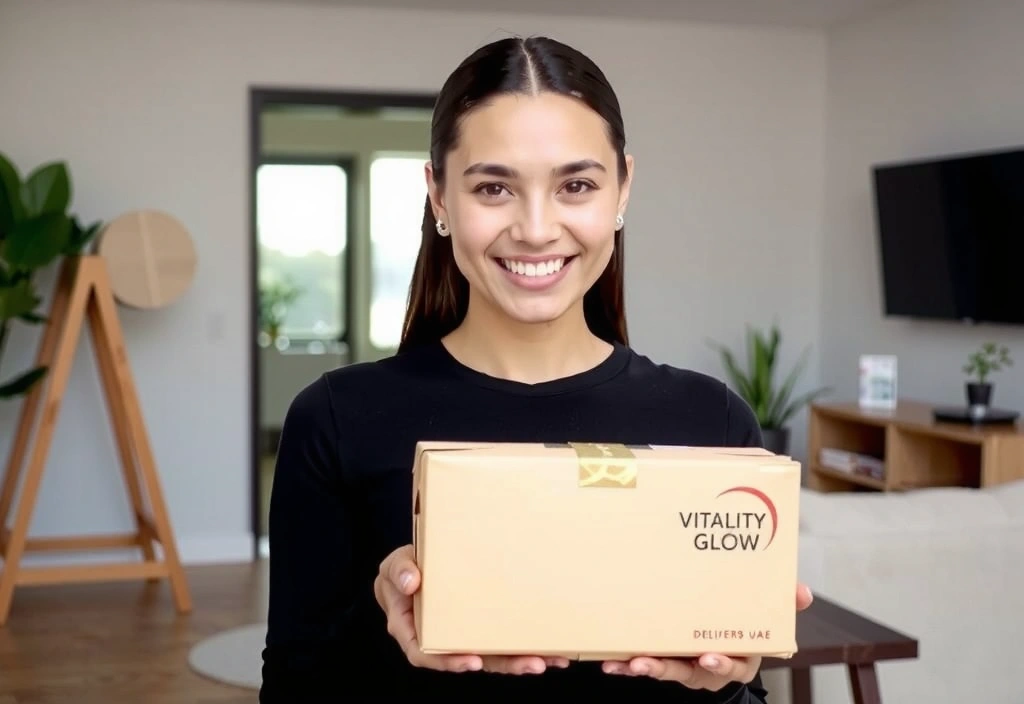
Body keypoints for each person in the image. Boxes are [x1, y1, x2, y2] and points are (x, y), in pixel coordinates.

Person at [259, 35, 813, 702]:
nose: (536, 228)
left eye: (576, 185)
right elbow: (293, 689)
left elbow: (737, 692)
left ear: (623, 189)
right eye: (494, 187)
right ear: (438, 197)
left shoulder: (712, 422)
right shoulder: (336, 419)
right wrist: (389, 624)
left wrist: (726, 681)